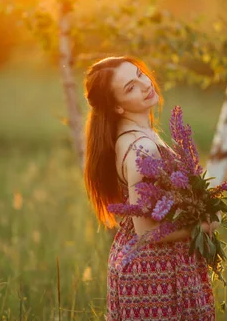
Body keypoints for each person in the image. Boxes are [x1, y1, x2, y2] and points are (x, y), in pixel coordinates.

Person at [83, 56, 217, 320]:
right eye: (130, 87)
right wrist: (204, 226)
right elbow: (145, 230)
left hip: (159, 268)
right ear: (118, 107)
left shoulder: (139, 135)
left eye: (140, 74)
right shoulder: (140, 148)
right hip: (154, 277)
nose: (145, 85)